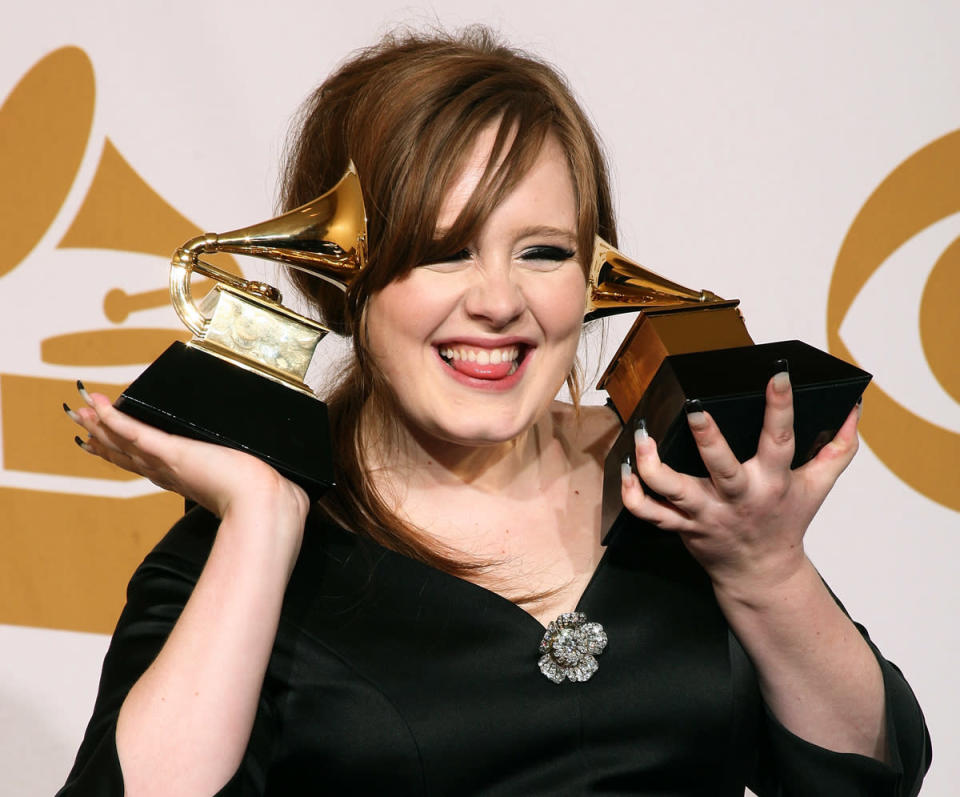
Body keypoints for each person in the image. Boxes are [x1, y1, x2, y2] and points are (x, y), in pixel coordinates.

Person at [60, 27, 929, 796]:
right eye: (443, 252)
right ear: (344, 279)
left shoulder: (677, 487)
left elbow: (869, 776)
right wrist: (261, 520)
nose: (500, 302)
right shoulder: (255, 543)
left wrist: (769, 572)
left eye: (543, 252)